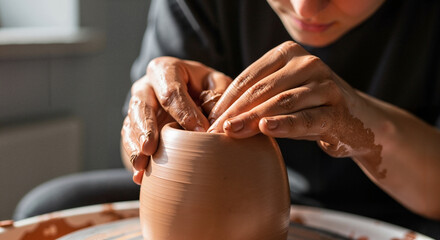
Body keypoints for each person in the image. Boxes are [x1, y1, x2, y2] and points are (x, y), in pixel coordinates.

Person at [14, 0, 440, 238]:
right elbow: (139, 165)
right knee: (49, 208)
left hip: (406, 209)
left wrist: (367, 129)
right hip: (250, 208)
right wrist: (157, 131)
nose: (305, 5)